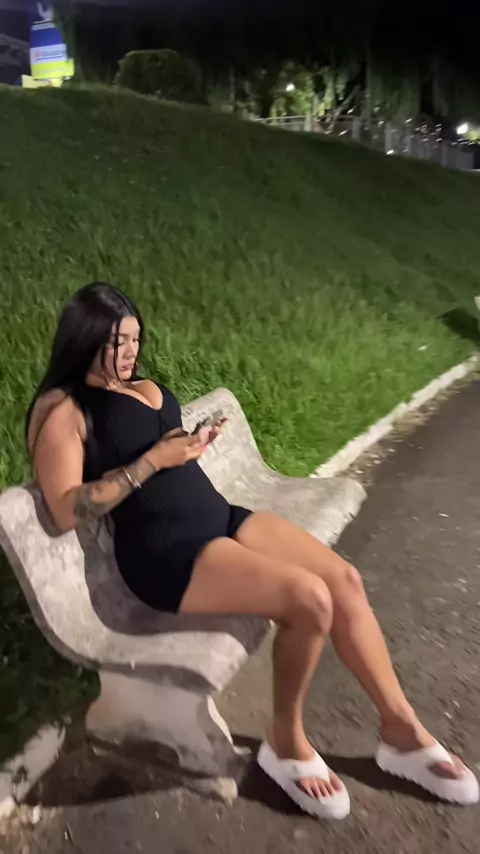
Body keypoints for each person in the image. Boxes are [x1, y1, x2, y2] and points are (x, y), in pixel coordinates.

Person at [26, 282, 478, 821]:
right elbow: (65, 509)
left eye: (135, 340)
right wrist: (152, 462)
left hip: (220, 517)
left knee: (343, 582)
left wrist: (189, 447)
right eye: (116, 343)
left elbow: (162, 450)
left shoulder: (134, 383)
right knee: (308, 600)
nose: (130, 353)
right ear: (84, 338)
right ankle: (286, 743)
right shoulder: (65, 409)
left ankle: (401, 730)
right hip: (168, 553)